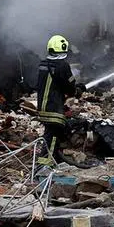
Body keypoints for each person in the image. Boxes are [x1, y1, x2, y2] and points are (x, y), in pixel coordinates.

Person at [36, 34, 81, 167]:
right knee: (53, 137)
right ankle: (45, 165)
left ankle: (51, 160)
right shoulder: (63, 66)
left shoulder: (43, 64)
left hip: (42, 108)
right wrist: (78, 90)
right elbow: (70, 87)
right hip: (54, 109)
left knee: (49, 134)